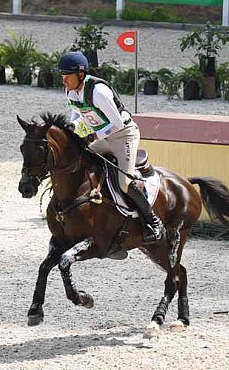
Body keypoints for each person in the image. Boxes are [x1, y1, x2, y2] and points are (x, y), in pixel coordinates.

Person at [58, 51, 164, 244]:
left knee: (124, 182)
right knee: (77, 160)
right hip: (102, 136)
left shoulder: (98, 92)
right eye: (62, 76)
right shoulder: (70, 91)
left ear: (81, 75)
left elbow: (117, 124)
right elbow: (76, 113)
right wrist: (72, 130)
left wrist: (92, 135)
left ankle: (153, 221)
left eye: (67, 76)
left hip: (123, 136)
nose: (64, 80)